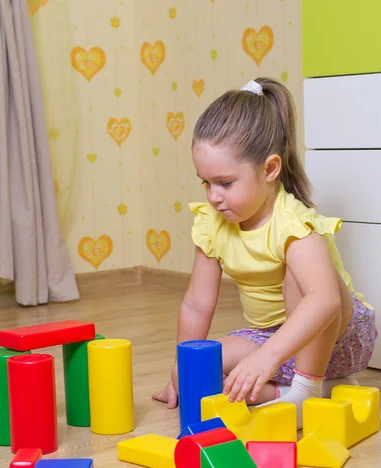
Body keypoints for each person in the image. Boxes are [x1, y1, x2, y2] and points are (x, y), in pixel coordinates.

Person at [152, 77, 377, 427]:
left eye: (225, 183)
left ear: (270, 169)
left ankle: (305, 389)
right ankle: (320, 391)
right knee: (198, 373)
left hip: (337, 337)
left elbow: (326, 300)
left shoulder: (292, 223)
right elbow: (197, 303)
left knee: (299, 276)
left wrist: (268, 358)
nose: (214, 196)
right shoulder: (212, 223)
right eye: (205, 182)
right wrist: (181, 373)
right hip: (270, 336)